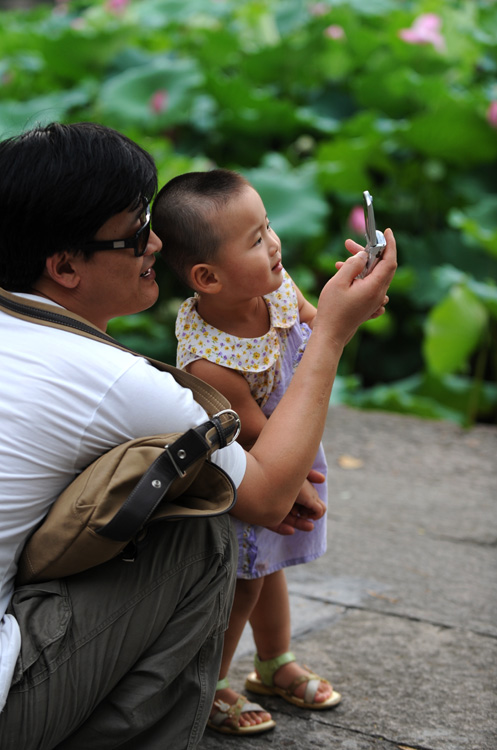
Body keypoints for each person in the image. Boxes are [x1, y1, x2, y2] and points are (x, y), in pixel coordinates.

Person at [0, 122, 396, 750]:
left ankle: (266, 662)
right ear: (65, 265)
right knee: (202, 521)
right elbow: (265, 497)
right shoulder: (121, 382)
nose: (157, 242)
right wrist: (333, 335)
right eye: (135, 234)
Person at [152, 170, 351, 734]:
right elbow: (258, 434)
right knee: (244, 581)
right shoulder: (209, 359)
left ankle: (273, 664)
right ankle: (210, 685)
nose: (274, 244)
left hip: (289, 455)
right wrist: (300, 482)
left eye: (268, 227)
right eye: (255, 240)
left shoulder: (278, 289)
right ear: (207, 277)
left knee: (272, 568)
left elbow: (319, 328)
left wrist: (349, 305)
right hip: (255, 474)